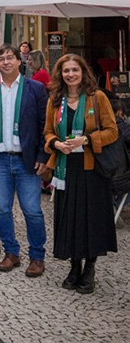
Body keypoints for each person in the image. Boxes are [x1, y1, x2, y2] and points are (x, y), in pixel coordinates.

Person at [43, 54, 118, 293]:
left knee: (91, 220)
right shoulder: (55, 100)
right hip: (66, 169)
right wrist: (56, 144)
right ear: (60, 75)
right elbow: (46, 132)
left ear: (83, 72)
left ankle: (90, 269)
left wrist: (85, 140)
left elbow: (112, 131)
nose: (71, 74)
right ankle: (74, 266)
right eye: (66, 71)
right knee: (69, 218)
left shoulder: (98, 98)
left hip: (91, 169)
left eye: (75, 70)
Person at [0, 44, 49, 277]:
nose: (5, 62)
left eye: (10, 58)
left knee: (32, 210)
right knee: (2, 209)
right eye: (1, 59)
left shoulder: (35, 89)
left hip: (26, 160)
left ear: (19, 61)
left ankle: (37, 256)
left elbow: (43, 125)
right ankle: (11, 252)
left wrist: (42, 156)